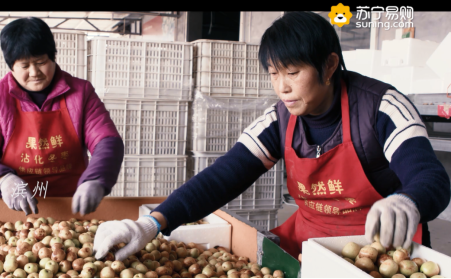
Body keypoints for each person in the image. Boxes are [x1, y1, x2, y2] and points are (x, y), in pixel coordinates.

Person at [93, 11, 451, 260]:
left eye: (293, 72)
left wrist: (407, 201)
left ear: (328, 66)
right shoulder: (280, 120)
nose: (282, 87)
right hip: (310, 242)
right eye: (274, 74)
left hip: (378, 246)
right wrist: (153, 222)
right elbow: (223, 176)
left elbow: (430, 176)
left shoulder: (380, 108)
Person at [0, 17, 123, 216]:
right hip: (11, 210)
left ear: (53, 57)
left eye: (41, 62)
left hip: (70, 207)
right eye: (25, 65)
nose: (35, 72)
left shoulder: (81, 93)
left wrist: (96, 179)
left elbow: (107, 141)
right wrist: (3, 180)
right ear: (11, 66)